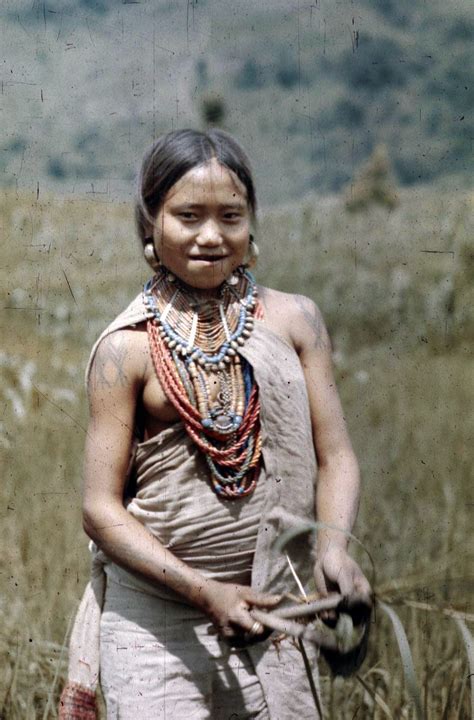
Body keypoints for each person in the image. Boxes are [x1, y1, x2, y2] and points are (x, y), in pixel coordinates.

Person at [59, 128, 371, 719]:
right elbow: (100, 510)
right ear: (150, 223)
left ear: (252, 222)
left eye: (231, 216)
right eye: (187, 216)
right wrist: (206, 593)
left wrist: (332, 550)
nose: (210, 235)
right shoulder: (126, 349)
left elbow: (337, 457)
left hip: (277, 609)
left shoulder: (297, 321)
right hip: (157, 622)